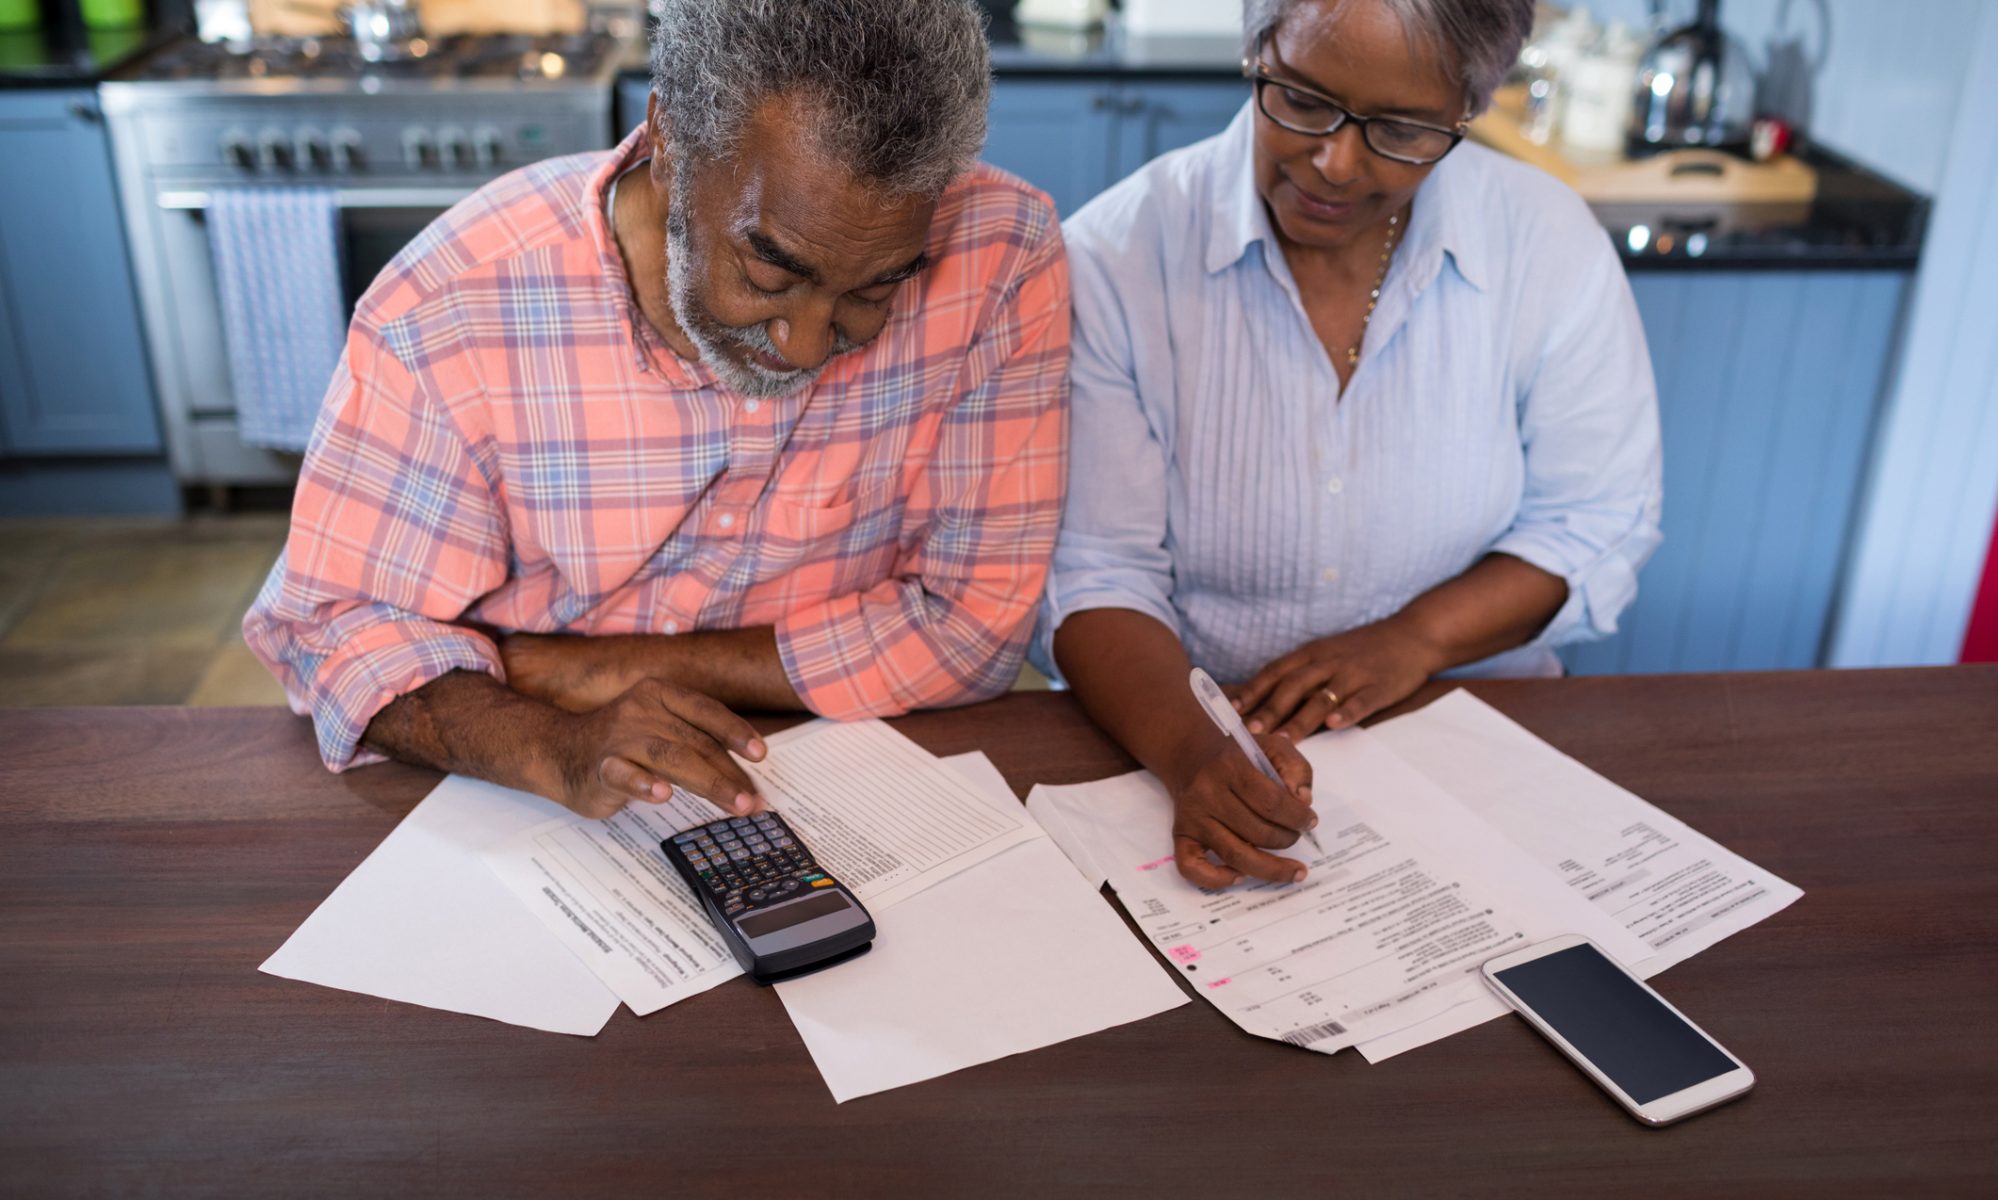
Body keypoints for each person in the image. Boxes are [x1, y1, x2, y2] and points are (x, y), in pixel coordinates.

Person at [245, 0, 1070, 823]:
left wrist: (574, 671)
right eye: (771, 274)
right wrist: (550, 743)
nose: (810, 344)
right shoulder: (454, 303)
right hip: (517, 796)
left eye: (876, 286)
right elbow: (334, 632)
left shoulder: (1001, 255)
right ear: (670, 145)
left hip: (848, 786)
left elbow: (972, 628)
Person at [1036, 0, 1662, 889]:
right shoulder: (1114, 260)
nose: (1335, 162)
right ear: (1257, 51)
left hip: (1472, 734)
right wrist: (1190, 751)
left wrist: (1414, 638)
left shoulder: (1545, 243)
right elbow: (1095, 570)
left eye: (1402, 131)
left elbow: (1596, 519)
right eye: (1300, 99)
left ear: (1467, 110)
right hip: (1186, 734)